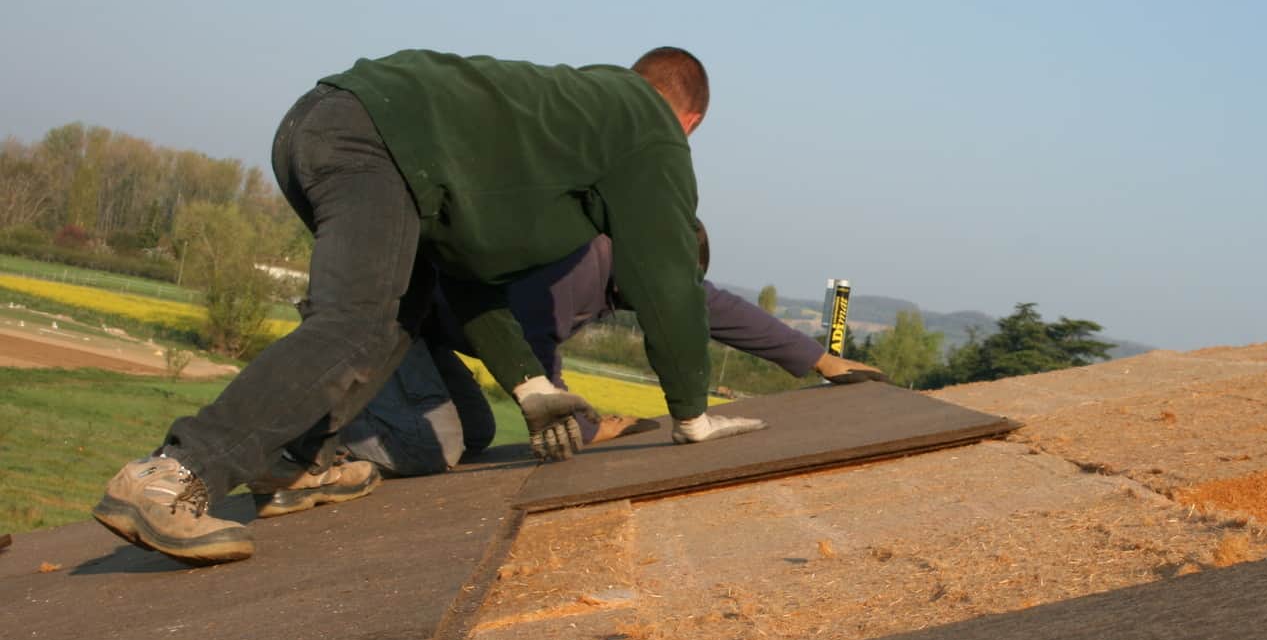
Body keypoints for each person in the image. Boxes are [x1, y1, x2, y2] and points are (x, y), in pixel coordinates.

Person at [93, 47, 764, 566]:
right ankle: (171, 477)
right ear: (691, 120)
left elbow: (463, 272)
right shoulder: (648, 128)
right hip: (369, 138)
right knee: (355, 319)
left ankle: (289, 462)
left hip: (324, 124)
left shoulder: (551, 127)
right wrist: (691, 415)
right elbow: (668, 276)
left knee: (397, 311)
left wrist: (530, 385)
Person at [342, 227, 885, 475]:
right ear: (652, 263)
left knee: (477, 435)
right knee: (431, 449)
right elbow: (536, 383)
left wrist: (823, 361)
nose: (668, 303)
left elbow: (718, 310)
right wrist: (593, 428)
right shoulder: (570, 274)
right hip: (378, 318)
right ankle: (312, 437)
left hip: (426, 332)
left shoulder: (631, 267)